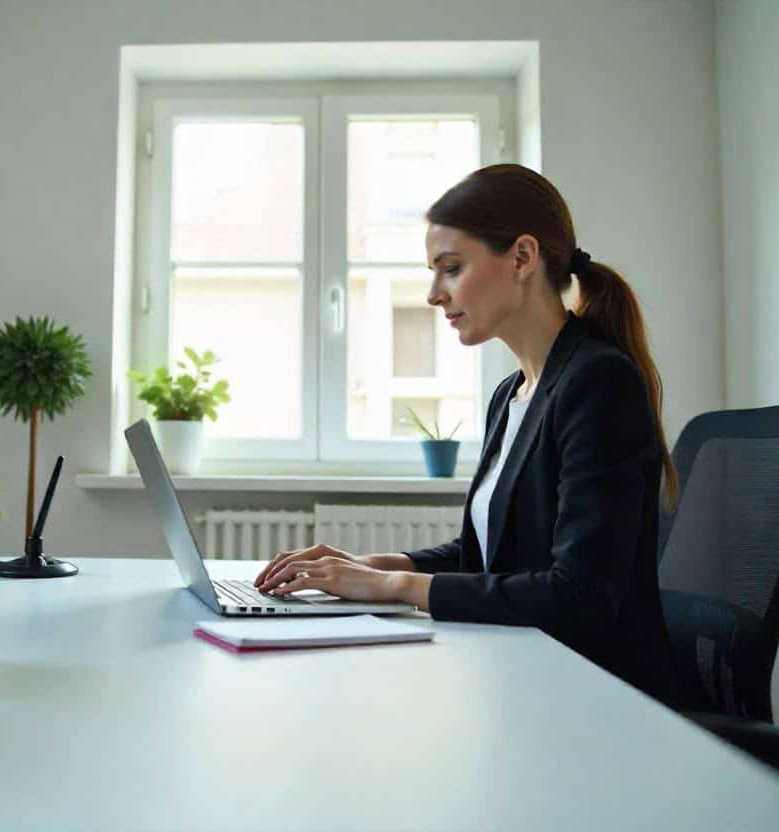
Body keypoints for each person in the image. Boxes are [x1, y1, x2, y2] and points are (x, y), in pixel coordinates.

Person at [254, 164, 682, 707]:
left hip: (596, 697)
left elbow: (580, 597)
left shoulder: (599, 382)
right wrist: (372, 566)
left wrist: (393, 589)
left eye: (451, 269)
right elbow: (490, 553)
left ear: (523, 258)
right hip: (526, 672)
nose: (434, 294)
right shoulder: (513, 393)